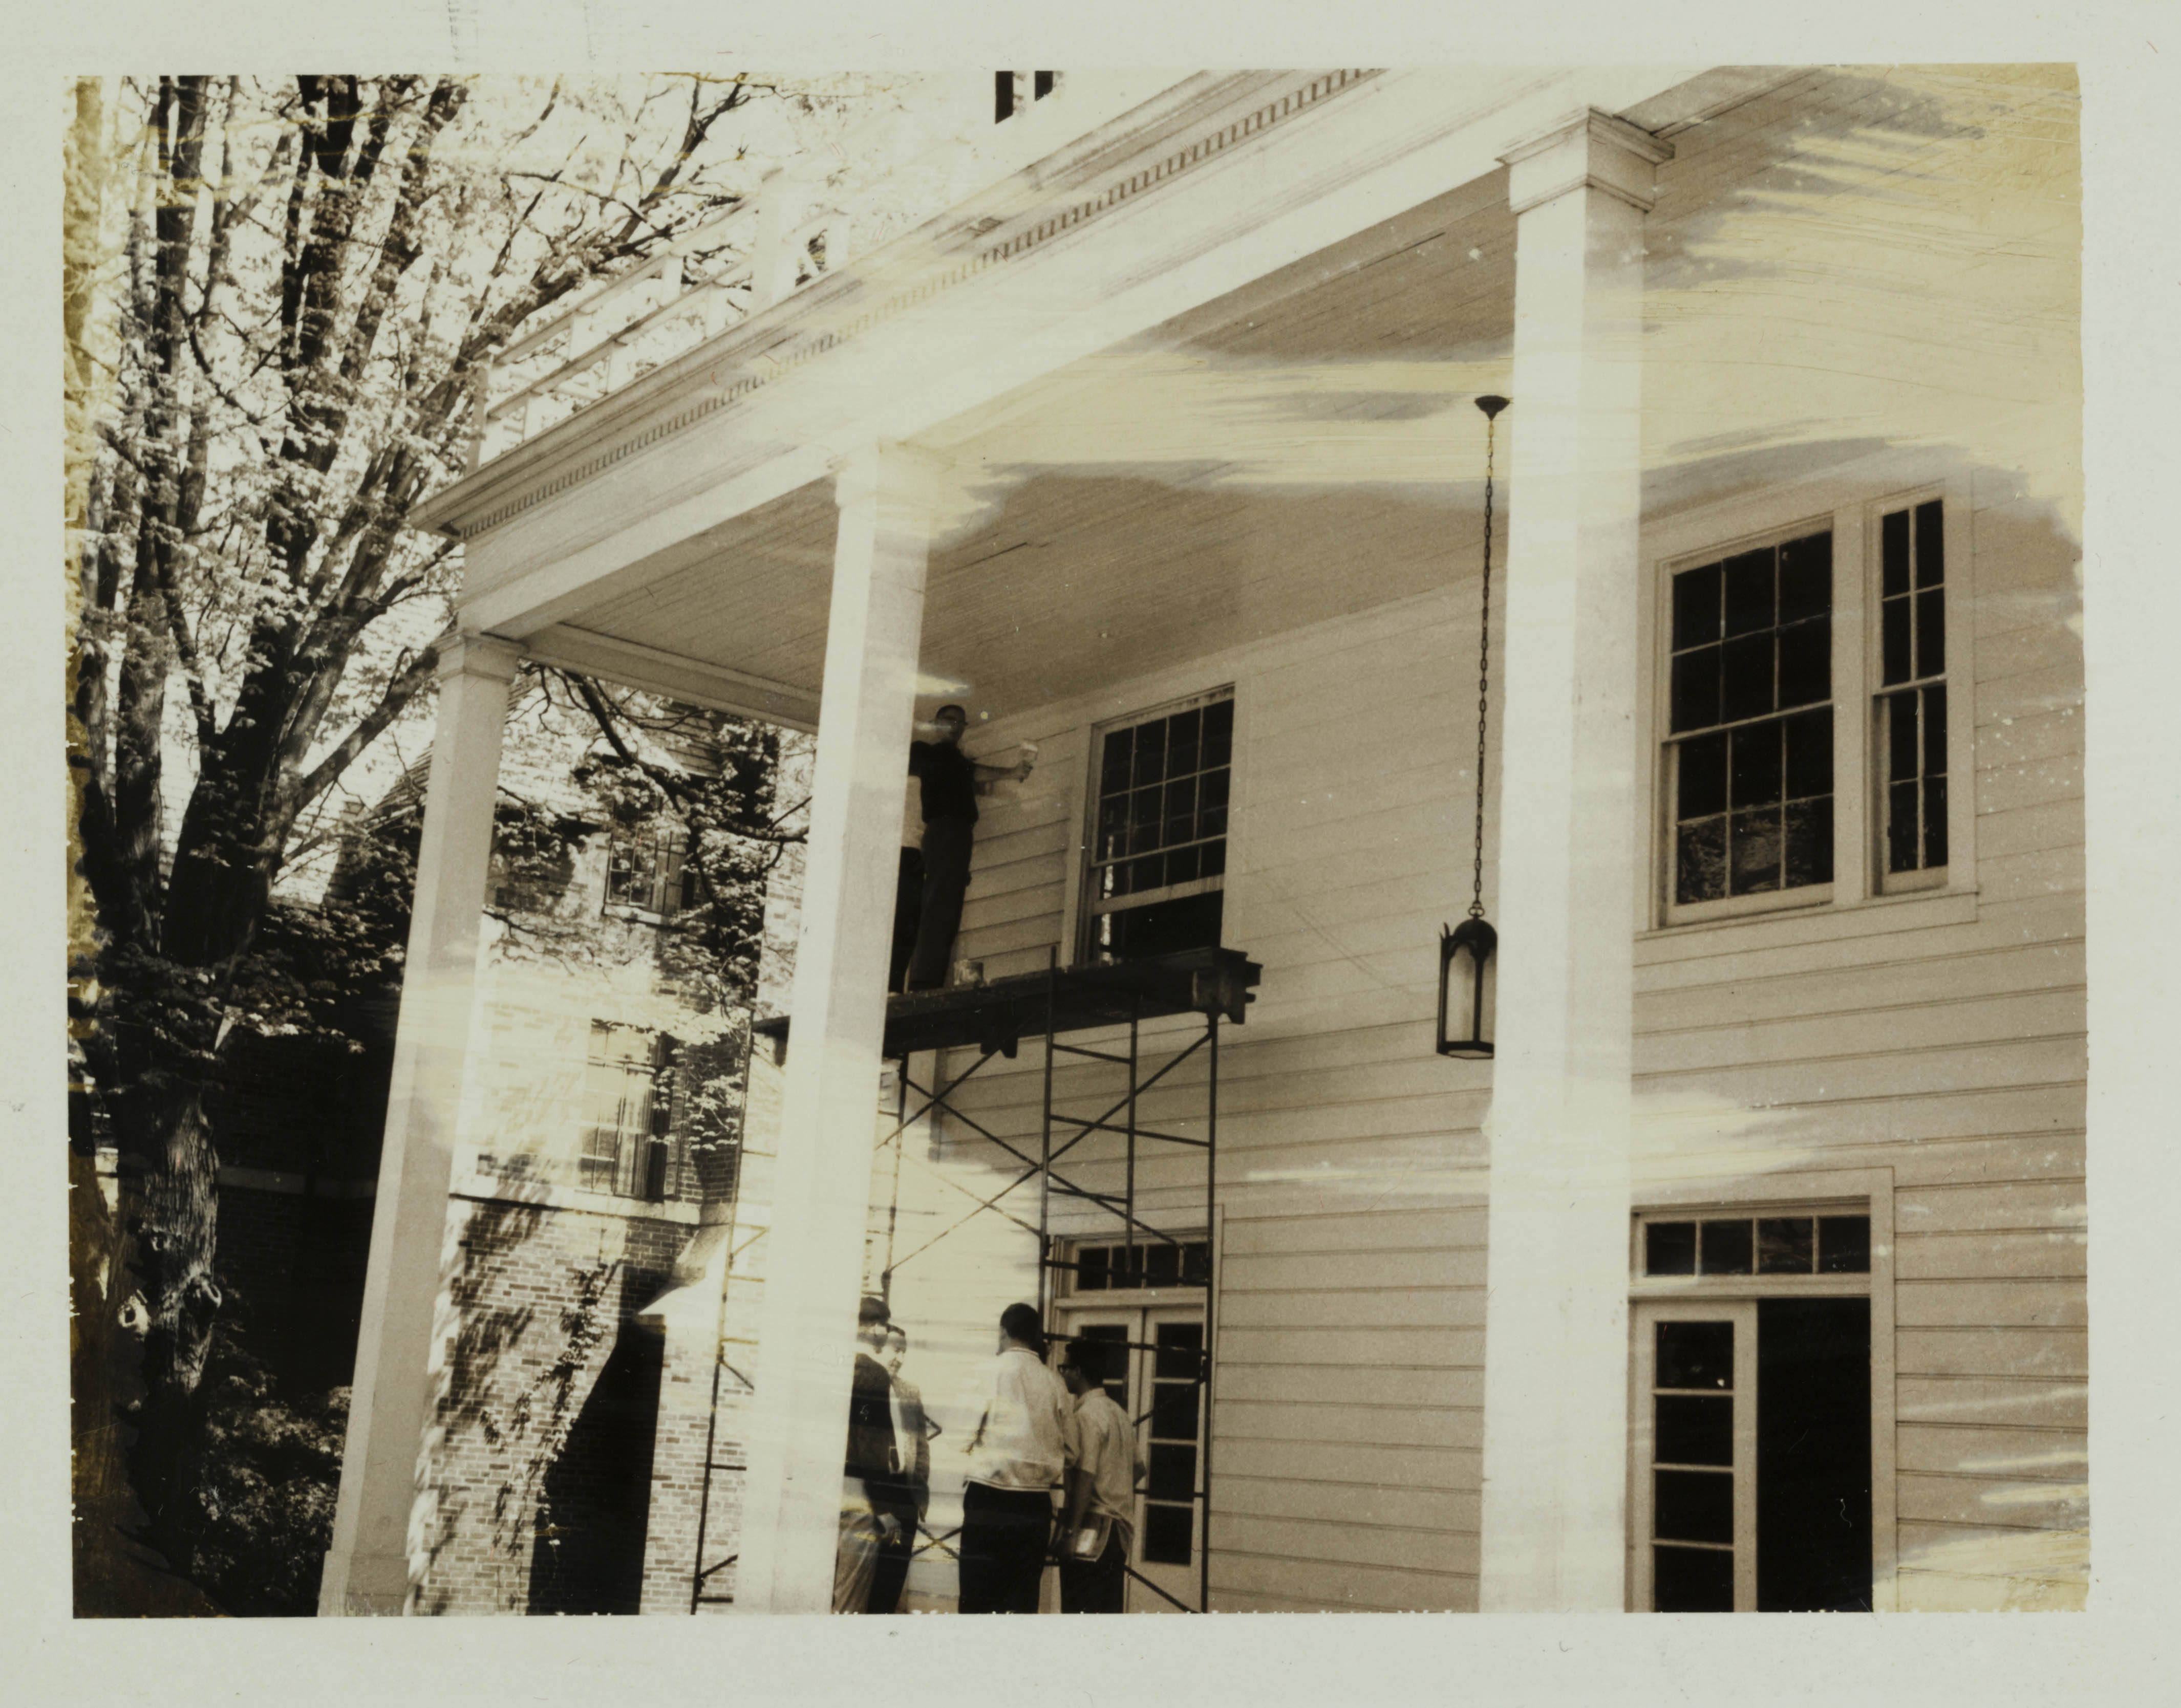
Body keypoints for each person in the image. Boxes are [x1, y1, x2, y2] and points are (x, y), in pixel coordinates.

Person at [904, 705, 1032, 991]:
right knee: (941, 906)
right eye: (950, 720)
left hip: (956, 835)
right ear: (936, 723)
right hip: (946, 831)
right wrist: (1012, 771)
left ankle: (929, 980)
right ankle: (924, 981)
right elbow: (973, 772)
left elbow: (969, 778)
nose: (957, 727)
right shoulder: (936, 753)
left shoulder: (951, 764)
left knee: (947, 906)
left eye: (962, 723)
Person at [957, 1302, 1074, 1613]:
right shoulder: (1056, 1383)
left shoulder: (989, 1372)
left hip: (989, 1497)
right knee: (1021, 1600)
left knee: (977, 1596)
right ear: (1035, 1335)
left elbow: (963, 1437)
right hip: (1033, 1506)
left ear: (1003, 1333)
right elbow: (1072, 1450)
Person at [1058, 1344, 1145, 1614]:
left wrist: (1071, 1532)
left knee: (1080, 1609)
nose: (1062, 1374)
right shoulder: (1119, 1413)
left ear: (1078, 1372)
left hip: (1093, 1527)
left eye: (1065, 1368)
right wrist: (1115, 1488)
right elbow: (1140, 1469)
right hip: (1120, 1531)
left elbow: (1086, 1476)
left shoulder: (1086, 1415)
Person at [833, 1295, 906, 1614]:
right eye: (885, 1327)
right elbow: (868, 1438)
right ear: (876, 1328)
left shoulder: (833, 1366)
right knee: (850, 1598)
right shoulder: (872, 1373)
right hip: (859, 1495)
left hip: (824, 1486)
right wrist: (884, 1507)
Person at [867, 1324, 932, 1616]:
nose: (900, 1358)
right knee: (866, 1581)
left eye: (904, 1352)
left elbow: (921, 1445)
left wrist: (917, 1493)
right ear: (879, 1348)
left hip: (905, 1495)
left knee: (892, 1581)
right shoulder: (866, 1386)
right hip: (872, 1494)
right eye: (896, 1350)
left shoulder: (909, 1391)